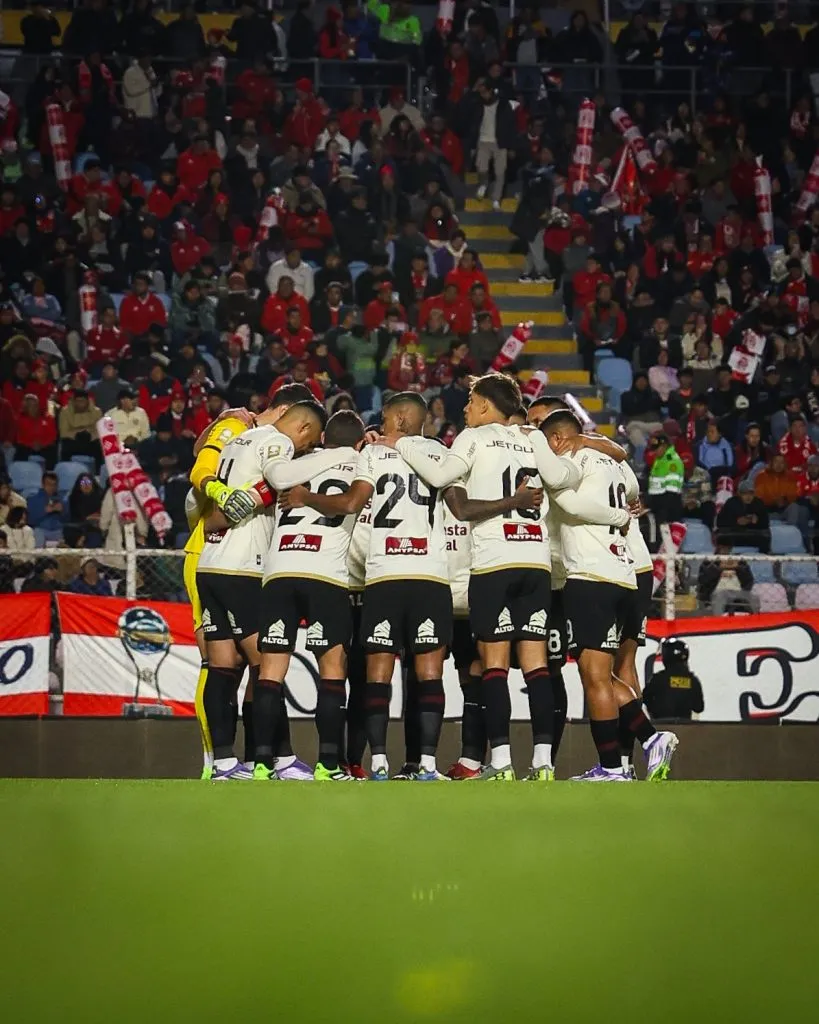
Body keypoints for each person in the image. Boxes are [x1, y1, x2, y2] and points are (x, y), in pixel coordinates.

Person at [383, 375, 583, 780]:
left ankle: (503, 762)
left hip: (494, 562)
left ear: (487, 406)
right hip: (535, 563)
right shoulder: (532, 438)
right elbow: (566, 477)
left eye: (472, 401)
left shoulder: (473, 438)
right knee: (536, 666)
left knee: (493, 665)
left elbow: (440, 476)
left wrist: (401, 443)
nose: (466, 408)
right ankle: (543, 762)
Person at [281, 392, 453, 781]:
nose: (381, 424)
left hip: (382, 574)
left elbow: (353, 503)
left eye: (386, 418)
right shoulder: (441, 453)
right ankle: (426, 764)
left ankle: (378, 762)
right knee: (429, 673)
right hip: (430, 574)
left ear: (399, 419)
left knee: (377, 672)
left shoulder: (370, 455)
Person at [195, 400, 330, 781]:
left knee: (221, 666)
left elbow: (212, 506)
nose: (303, 450)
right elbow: (280, 477)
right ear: (303, 429)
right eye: (308, 444)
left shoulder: (238, 441)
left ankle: (223, 762)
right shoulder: (277, 443)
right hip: (243, 567)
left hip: (211, 563)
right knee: (267, 665)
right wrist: (331, 458)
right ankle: (281, 758)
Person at [541, 409, 678, 782]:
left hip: (590, 576)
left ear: (557, 439)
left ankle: (636, 750)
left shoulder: (570, 462)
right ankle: (624, 759)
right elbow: (632, 492)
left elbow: (570, 502)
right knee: (602, 672)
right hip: (623, 573)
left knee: (595, 676)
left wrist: (614, 516)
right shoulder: (615, 464)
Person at [256, 410, 365, 780]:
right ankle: (328, 765)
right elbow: (353, 504)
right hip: (325, 574)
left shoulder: (295, 465)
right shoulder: (361, 463)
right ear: (359, 442)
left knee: (270, 671)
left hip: (279, 571)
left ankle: (261, 764)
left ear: (321, 438)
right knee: (332, 668)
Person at [643, 639, 704, 720]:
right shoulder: (693, 681)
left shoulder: (658, 679)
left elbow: (645, 698)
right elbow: (699, 707)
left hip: (661, 725)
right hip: (685, 726)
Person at [716, 479, 771, 553]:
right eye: (745, 493)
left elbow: (766, 523)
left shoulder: (758, 503)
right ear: (739, 494)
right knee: (723, 537)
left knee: (765, 537)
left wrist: (757, 521)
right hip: (734, 534)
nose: (748, 496)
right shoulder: (732, 503)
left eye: (751, 493)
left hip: (753, 535)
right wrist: (735, 521)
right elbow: (720, 522)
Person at [26, 471, 65, 544]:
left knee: (62, 539)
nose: (52, 487)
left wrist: (62, 511)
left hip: (57, 530)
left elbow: (67, 519)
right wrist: (44, 511)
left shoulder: (61, 499)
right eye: (49, 484)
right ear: (43, 485)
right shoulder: (33, 499)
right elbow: (30, 520)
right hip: (40, 530)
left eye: (54, 485)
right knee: (38, 533)